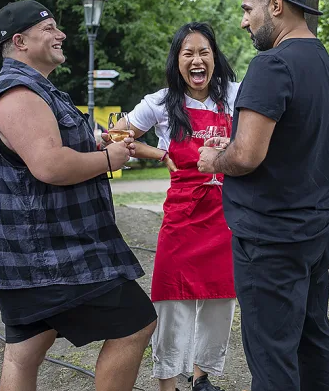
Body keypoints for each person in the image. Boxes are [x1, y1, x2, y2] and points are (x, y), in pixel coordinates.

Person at [0, 0, 156, 391]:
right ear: (20, 41)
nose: (61, 35)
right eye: (50, 29)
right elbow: (49, 165)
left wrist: (93, 142)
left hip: (32, 253)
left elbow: (47, 149)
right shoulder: (18, 93)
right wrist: (109, 157)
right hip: (51, 254)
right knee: (137, 323)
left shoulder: (36, 89)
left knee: (24, 350)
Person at [198, 0, 329, 391]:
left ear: (276, 6)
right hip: (315, 229)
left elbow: (245, 155)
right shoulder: (325, 63)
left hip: (272, 238)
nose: (243, 20)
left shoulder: (272, 63)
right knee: (312, 337)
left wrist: (213, 159)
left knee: (271, 355)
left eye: (248, 10)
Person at [115, 22, 238, 391]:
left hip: (226, 216)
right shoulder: (160, 101)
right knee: (172, 302)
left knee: (220, 300)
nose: (197, 60)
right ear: (177, 60)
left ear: (214, 57)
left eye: (204, 52)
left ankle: (202, 377)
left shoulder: (236, 94)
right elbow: (116, 135)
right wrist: (157, 152)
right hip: (182, 217)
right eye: (189, 53)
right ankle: (167, 383)